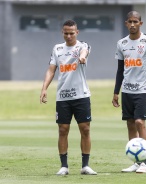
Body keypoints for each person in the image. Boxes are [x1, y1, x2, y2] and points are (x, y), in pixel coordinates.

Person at [40, 20, 97, 175]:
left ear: (77, 32)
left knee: (85, 129)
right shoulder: (57, 49)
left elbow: (85, 51)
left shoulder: (82, 46)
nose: (69, 35)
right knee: (63, 130)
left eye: (72, 33)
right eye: (66, 33)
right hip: (63, 97)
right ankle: (64, 166)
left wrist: (83, 58)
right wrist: (44, 88)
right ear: (62, 32)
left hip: (81, 95)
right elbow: (51, 70)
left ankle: (85, 165)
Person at [112, 11, 146, 173]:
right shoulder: (122, 44)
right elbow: (120, 70)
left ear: (141, 23)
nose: (132, 24)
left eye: (135, 22)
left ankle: (145, 162)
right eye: (130, 22)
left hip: (143, 90)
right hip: (126, 91)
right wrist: (116, 92)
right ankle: (136, 161)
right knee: (130, 124)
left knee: (140, 122)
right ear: (126, 23)